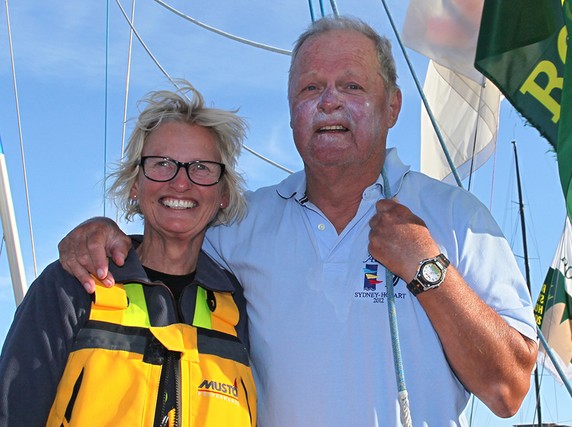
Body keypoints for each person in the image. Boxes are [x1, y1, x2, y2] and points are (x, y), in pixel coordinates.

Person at [56, 16, 538, 426]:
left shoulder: (458, 217)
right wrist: (103, 234)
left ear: (392, 106)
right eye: (311, 88)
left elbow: (509, 390)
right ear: (291, 113)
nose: (329, 101)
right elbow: (168, 244)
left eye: (352, 85)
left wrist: (429, 268)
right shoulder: (241, 224)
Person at [0, 83, 257, 426]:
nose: (181, 183)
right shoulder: (74, 286)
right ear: (135, 185)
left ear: (223, 194)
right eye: (162, 163)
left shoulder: (238, 306)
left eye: (201, 167)